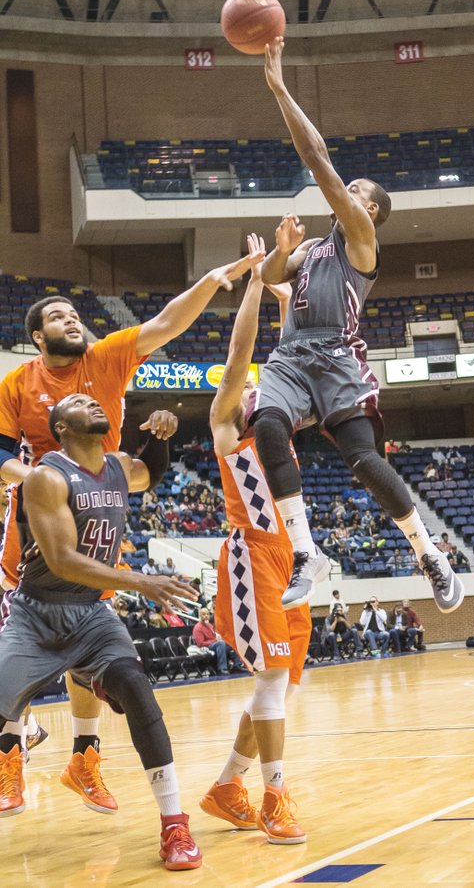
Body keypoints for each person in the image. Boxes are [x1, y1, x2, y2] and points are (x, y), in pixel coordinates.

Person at [0, 248, 260, 808]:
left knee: (83, 634)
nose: (72, 320)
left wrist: (212, 282)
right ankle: (11, 757)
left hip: (100, 505)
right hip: (37, 516)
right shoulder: (18, 382)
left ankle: (84, 755)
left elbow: (167, 322)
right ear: (38, 339)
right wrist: (47, 476)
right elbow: (1, 457)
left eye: (75, 313)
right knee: (21, 641)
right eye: (58, 317)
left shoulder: (107, 356)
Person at [249, 37, 464, 618]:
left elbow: (318, 159)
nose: (349, 194)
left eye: (358, 193)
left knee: (365, 464)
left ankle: (429, 554)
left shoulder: (361, 243)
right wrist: (280, 249)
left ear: (369, 212)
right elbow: (273, 275)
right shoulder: (317, 247)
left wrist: (279, 88)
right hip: (293, 355)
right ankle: (306, 554)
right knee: (267, 426)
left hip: (338, 357)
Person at [0, 395, 202, 869]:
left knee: (135, 686)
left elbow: (148, 474)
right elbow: (63, 559)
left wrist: (159, 439)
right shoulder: (46, 477)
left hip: (91, 614)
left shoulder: (116, 466)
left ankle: (174, 824)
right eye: (77, 401)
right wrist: (141, 581)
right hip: (38, 615)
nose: (90, 400)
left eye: (92, 399)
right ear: (60, 427)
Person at [199, 237, 310, 845]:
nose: (251, 388)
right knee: (271, 683)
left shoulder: (278, 423)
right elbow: (242, 354)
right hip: (252, 556)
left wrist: (292, 294)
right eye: (244, 388)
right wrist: (256, 287)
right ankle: (275, 795)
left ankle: (226, 785)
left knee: (284, 684)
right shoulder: (225, 429)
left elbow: (297, 352)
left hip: (292, 560)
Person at [192, 607, 243, 675]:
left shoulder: (210, 625)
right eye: (203, 614)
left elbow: (214, 638)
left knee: (231, 642)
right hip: (205, 648)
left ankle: (237, 665)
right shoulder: (197, 628)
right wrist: (215, 641)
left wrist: (219, 639)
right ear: (200, 616)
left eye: (207, 614)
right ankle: (222, 668)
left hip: (215, 645)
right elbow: (200, 644)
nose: (206, 616)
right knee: (220, 643)